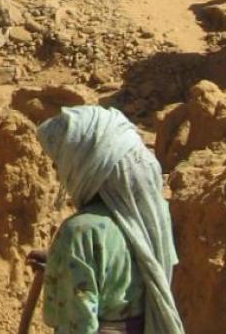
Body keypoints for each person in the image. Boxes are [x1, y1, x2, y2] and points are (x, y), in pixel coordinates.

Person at [36, 106, 186, 334]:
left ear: (85, 165)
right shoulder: (156, 217)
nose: (59, 174)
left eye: (60, 163)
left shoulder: (80, 233)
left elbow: (77, 327)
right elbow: (126, 274)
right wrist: (60, 264)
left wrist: (68, 256)